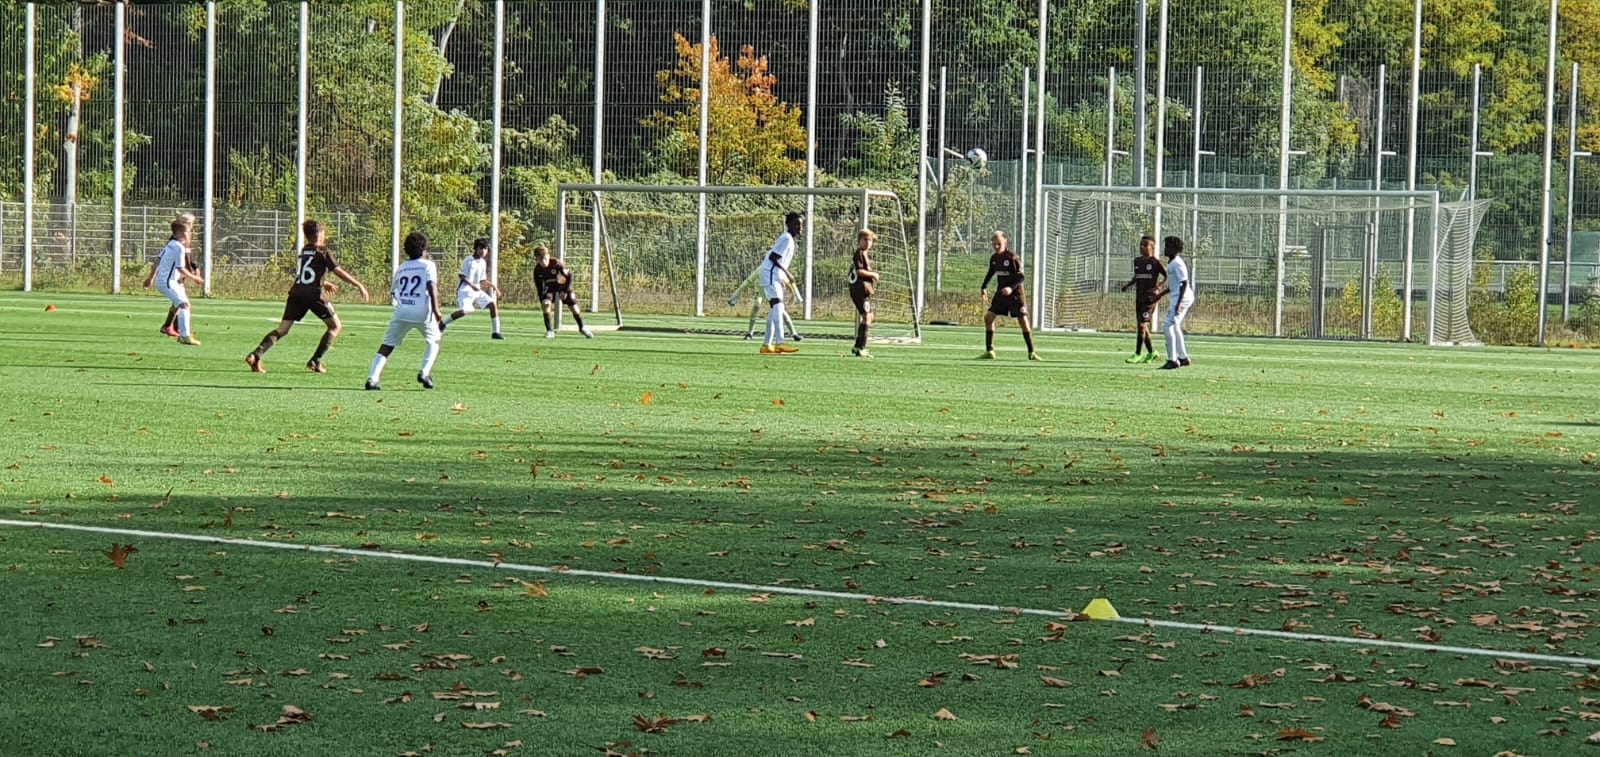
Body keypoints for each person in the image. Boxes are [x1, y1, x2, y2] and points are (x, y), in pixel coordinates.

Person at [244, 218, 370, 374]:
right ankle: (315, 360)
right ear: (320, 235)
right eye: (323, 232)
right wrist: (359, 285)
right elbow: (338, 271)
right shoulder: (324, 252)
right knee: (335, 326)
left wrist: (324, 282)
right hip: (314, 295)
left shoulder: (305, 251)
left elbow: (307, 273)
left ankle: (256, 354)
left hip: (297, 292)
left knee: (282, 329)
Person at [365, 231, 443, 390]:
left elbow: (394, 291)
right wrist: (436, 309)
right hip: (423, 312)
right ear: (424, 249)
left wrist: (404, 302)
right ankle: (424, 373)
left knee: (387, 345)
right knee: (434, 341)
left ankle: (372, 379)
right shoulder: (428, 265)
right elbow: (431, 286)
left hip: (402, 311)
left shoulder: (402, 267)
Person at [142, 213, 205, 346]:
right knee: (184, 305)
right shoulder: (178, 246)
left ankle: (177, 330)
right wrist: (195, 278)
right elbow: (181, 268)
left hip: (171, 281)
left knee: (182, 305)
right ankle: (184, 336)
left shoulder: (173, 243)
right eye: (187, 228)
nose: (189, 230)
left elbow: (159, 259)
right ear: (179, 231)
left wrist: (151, 278)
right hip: (168, 282)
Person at [978, 230, 1040, 361]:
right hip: (1002, 293)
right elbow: (990, 273)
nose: (996, 246)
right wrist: (983, 287)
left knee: (1023, 321)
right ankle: (990, 351)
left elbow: (1021, 277)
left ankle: (1032, 352)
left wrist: (1011, 288)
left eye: (999, 244)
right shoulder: (994, 258)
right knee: (988, 317)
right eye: (994, 244)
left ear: (1005, 242)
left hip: (1015, 293)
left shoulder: (1012, 258)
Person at [758, 211, 805, 354]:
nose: (800, 227)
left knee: (775, 309)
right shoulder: (786, 238)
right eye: (796, 224)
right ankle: (780, 342)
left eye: (801, 224)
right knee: (778, 306)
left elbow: (780, 260)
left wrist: (781, 277)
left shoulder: (789, 239)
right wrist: (787, 273)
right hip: (769, 273)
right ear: (788, 224)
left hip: (774, 275)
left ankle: (766, 345)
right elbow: (773, 257)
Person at [441, 237, 503, 339]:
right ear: (476, 248)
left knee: (492, 304)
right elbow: (462, 276)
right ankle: (443, 323)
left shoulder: (483, 262)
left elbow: (482, 280)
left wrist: (494, 287)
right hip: (465, 290)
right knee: (465, 311)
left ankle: (496, 332)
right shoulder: (469, 260)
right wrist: (472, 285)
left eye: (485, 248)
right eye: (481, 248)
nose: (483, 251)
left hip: (477, 291)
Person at [1119, 235, 1167, 363]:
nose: (1142, 247)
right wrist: (1128, 285)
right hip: (1139, 297)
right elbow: (1137, 276)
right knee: (1142, 327)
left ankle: (1138, 354)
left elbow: (1167, 276)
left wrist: (1158, 287)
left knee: (1141, 325)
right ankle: (1152, 353)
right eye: (1141, 244)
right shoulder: (1137, 261)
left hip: (1149, 299)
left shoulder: (1156, 263)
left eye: (1145, 245)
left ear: (1152, 247)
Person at [728, 263, 803, 343]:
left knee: (780, 310)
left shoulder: (777, 271)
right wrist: (734, 296)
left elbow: (790, 283)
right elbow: (746, 283)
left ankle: (794, 333)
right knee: (756, 306)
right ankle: (750, 333)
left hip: (771, 291)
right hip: (760, 291)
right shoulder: (760, 270)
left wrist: (797, 296)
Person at [533, 246, 594, 339]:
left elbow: (570, 276)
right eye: (540, 260)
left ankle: (582, 327)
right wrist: (542, 298)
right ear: (537, 260)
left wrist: (565, 291)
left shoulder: (556, 263)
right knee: (545, 304)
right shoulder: (537, 270)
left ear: (548, 256)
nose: (543, 262)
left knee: (573, 306)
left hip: (563, 286)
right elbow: (539, 286)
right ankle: (550, 331)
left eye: (545, 259)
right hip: (550, 288)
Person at [1158, 235, 1195, 370]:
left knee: (1167, 325)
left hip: (1182, 298)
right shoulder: (1172, 262)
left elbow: (1184, 283)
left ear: (1174, 249)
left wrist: (1179, 304)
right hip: (1179, 297)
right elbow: (1173, 285)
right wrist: (1159, 295)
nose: (1165, 249)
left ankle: (1172, 360)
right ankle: (1183, 358)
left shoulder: (1177, 263)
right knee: (1175, 326)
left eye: (1167, 246)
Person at [847, 228, 881, 358]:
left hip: (863, 291)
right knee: (867, 317)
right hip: (860, 290)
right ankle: (861, 348)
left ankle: (857, 346)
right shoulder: (860, 253)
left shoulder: (864, 253)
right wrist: (873, 274)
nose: (867, 242)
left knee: (869, 317)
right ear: (859, 241)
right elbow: (859, 271)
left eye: (870, 240)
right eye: (864, 239)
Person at [153, 247, 199, 338]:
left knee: (178, 304)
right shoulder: (176, 246)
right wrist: (194, 274)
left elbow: (189, 260)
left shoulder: (178, 245)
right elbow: (185, 261)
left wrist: (195, 268)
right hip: (174, 279)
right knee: (182, 303)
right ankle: (175, 329)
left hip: (177, 278)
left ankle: (170, 327)